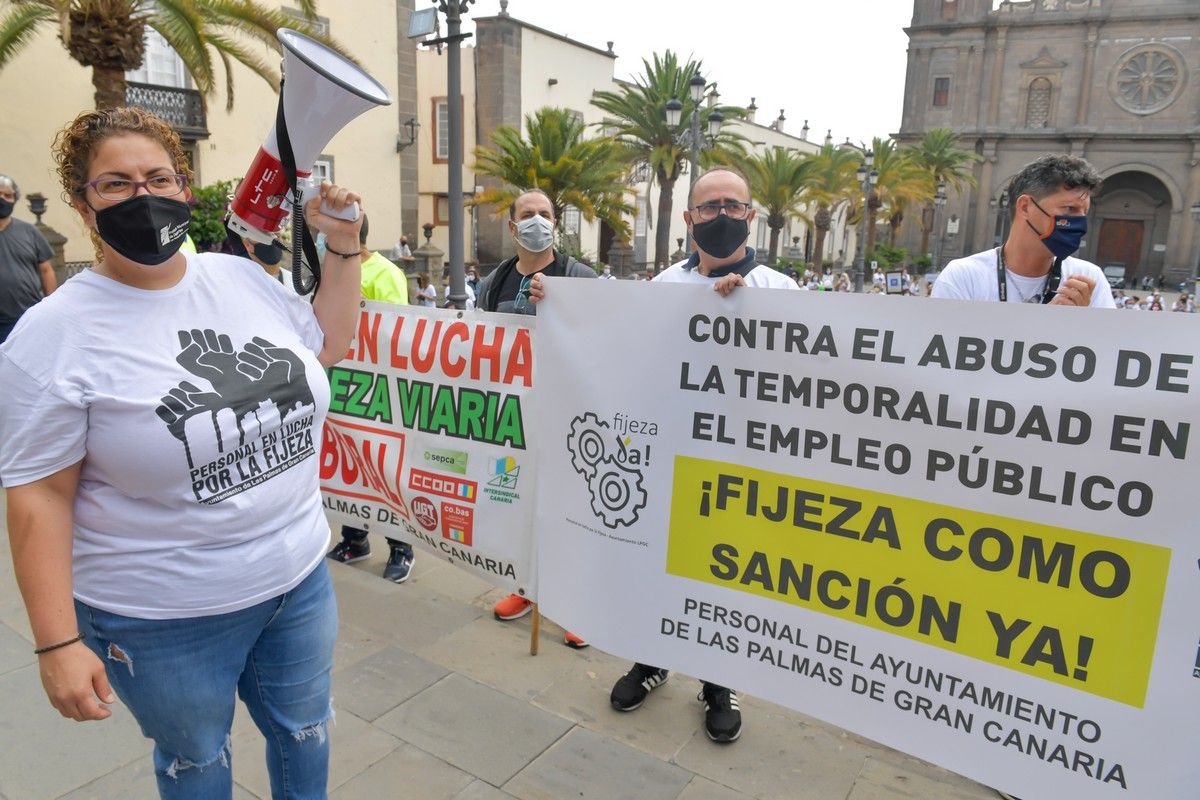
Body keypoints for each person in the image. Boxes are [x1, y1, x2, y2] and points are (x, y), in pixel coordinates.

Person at [0, 106, 362, 798]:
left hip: (298, 586)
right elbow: (40, 496)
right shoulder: (53, 337)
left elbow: (326, 347)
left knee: (307, 729)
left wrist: (343, 249)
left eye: (158, 177)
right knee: (196, 759)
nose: (144, 196)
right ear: (82, 205)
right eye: (116, 184)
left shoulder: (241, 279)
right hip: (163, 619)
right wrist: (55, 643)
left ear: (184, 189)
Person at [601, 167, 797, 745]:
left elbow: (808, 379)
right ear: (688, 221)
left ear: (751, 216)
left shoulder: (785, 292)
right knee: (659, 566)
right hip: (670, 457)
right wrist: (555, 303)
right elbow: (627, 348)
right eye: (708, 207)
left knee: (724, 577)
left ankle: (719, 680)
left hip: (741, 466)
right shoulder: (664, 284)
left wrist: (745, 319)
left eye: (732, 206)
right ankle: (652, 658)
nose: (721, 216)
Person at [476, 188, 595, 648]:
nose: (537, 221)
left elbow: (605, 338)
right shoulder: (495, 283)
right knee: (522, 510)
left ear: (556, 222)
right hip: (515, 420)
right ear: (512, 226)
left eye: (545, 214)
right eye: (528, 214)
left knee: (571, 513)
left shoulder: (579, 276)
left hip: (569, 420)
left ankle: (576, 603)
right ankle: (527, 590)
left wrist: (563, 306)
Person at [326, 214, 416, 582]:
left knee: (383, 469)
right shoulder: (330, 269)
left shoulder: (386, 273)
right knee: (349, 467)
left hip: (379, 391)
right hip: (343, 387)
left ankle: (401, 548)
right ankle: (355, 539)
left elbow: (399, 332)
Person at [932, 154, 1115, 308]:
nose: (1080, 222)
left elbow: (1106, 347)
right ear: (1026, 207)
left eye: (1084, 213)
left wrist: (1086, 325)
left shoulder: (1089, 281)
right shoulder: (963, 277)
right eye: (1069, 209)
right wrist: (1046, 326)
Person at [0, 172, 57, 343]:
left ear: (15, 200)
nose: (2, 198)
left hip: (26, 317)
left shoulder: (29, 232)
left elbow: (46, 270)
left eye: (7, 195)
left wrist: (51, 305)